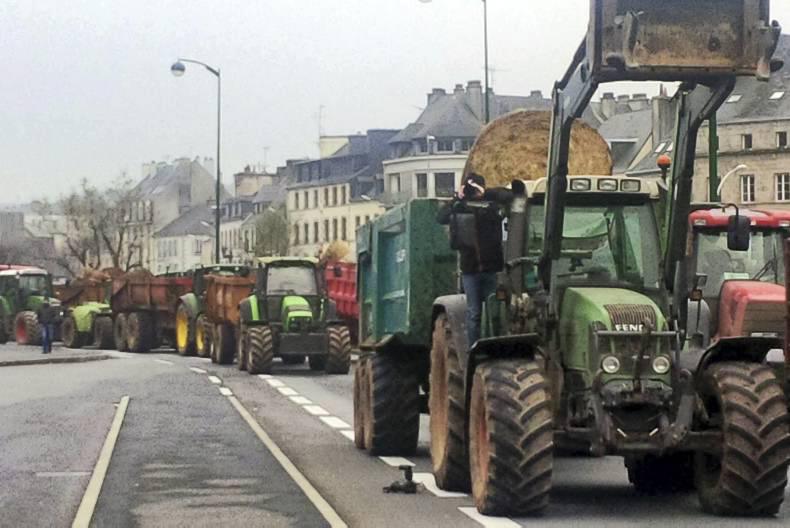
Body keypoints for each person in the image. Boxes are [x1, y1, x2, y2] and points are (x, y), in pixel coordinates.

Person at [437, 173, 514, 347]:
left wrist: (485, 193)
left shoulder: (492, 206)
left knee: (496, 310)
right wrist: (457, 198)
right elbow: (441, 217)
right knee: (474, 313)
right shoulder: (460, 207)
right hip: (470, 271)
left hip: (492, 269)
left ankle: (496, 345)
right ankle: (474, 348)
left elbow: (510, 196)